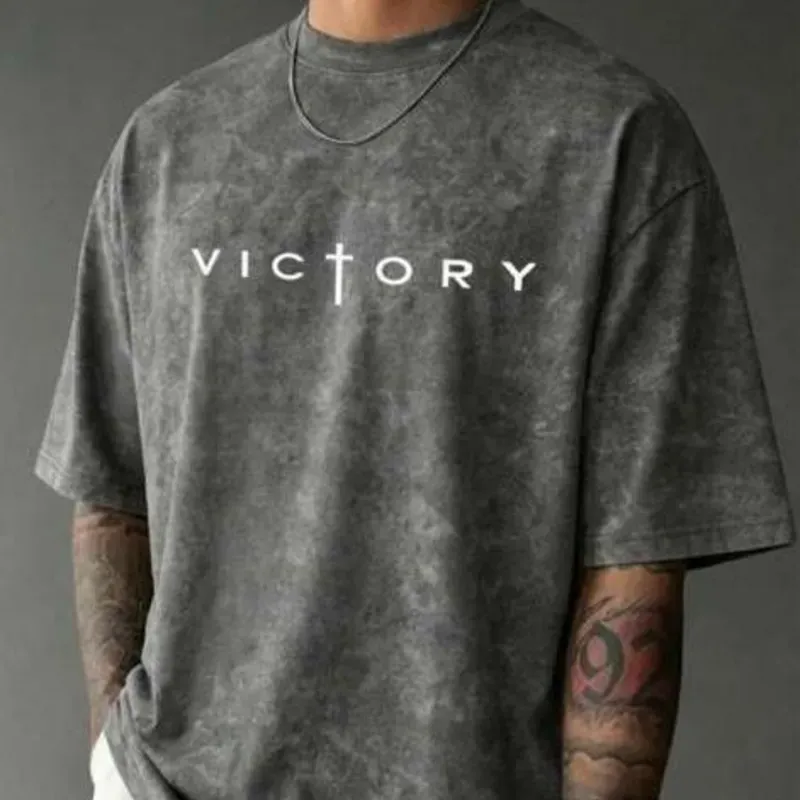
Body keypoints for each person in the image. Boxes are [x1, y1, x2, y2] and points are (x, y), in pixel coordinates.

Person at [33, 1, 796, 798]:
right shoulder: (165, 143)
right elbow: (110, 484)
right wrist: (115, 766)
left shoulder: (614, 140)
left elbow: (636, 563)